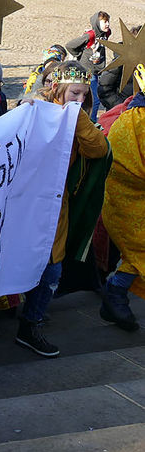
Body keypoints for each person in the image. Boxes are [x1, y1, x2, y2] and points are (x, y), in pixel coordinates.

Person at [17, 63, 110, 357]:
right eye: (74, 93)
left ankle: (31, 323)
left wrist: (78, 118)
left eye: (84, 95)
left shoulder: (81, 118)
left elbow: (99, 149)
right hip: (24, 203)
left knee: (52, 266)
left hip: (56, 205)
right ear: (58, 89)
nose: (79, 99)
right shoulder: (37, 108)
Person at [100, 64, 145, 331]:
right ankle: (114, 294)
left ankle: (115, 295)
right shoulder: (134, 120)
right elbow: (124, 166)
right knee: (140, 248)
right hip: (128, 201)